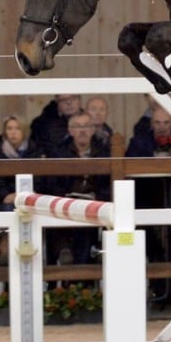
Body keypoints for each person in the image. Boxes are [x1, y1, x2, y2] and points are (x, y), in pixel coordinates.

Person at [125, 105, 171, 306]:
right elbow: (131, 160)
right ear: (151, 124)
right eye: (157, 122)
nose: (162, 127)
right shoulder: (139, 141)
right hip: (149, 199)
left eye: (166, 123)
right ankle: (160, 292)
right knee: (150, 241)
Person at [39, 111, 111, 266]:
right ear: (70, 131)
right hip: (65, 201)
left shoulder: (104, 152)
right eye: (78, 127)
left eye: (86, 126)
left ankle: (81, 275)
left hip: (93, 204)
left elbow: (108, 184)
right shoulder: (59, 152)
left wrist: (99, 197)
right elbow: (51, 182)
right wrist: (62, 197)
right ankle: (63, 256)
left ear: (93, 129)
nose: (82, 130)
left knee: (85, 227)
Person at [0, 114, 36, 211]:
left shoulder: (35, 150)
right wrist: (6, 195)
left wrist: (25, 193)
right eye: (9, 129)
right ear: (5, 132)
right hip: (6, 197)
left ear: (24, 131)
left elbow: (40, 178)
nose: (13, 133)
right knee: (9, 208)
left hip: (31, 194)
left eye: (18, 129)